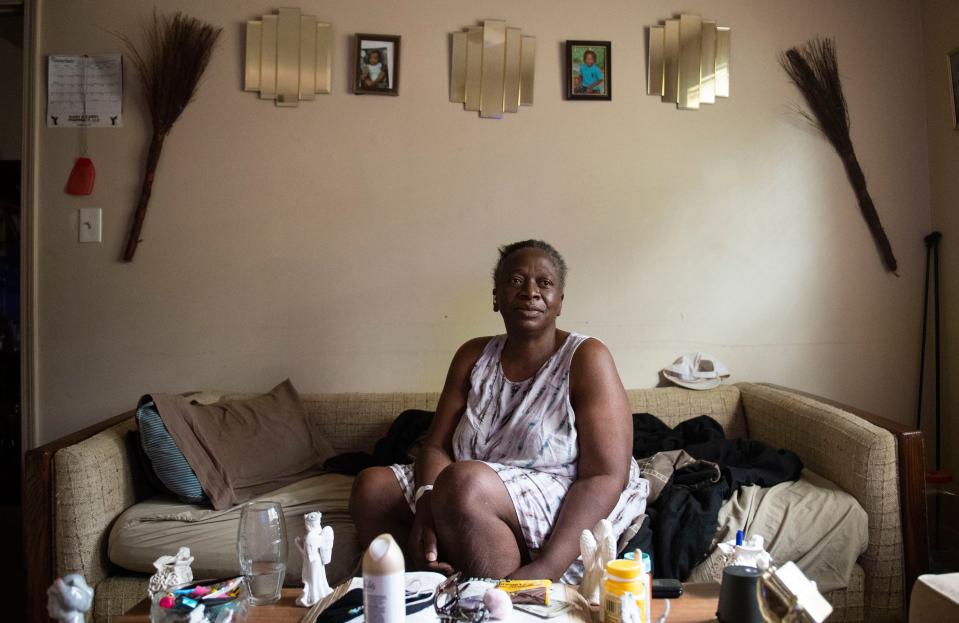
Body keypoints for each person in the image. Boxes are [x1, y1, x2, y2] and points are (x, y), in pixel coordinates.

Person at [349, 240, 648, 582]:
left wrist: (547, 569)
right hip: (462, 488)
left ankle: (505, 604)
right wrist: (426, 505)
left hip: (559, 494)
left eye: (545, 283)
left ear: (560, 302)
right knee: (371, 488)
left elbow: (605, 476)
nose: (530, 292)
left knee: (463, 482)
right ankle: (427, 592)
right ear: (496, 297)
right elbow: (435, 446)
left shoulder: (586, 358)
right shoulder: (472, 356)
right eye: (516, 281)